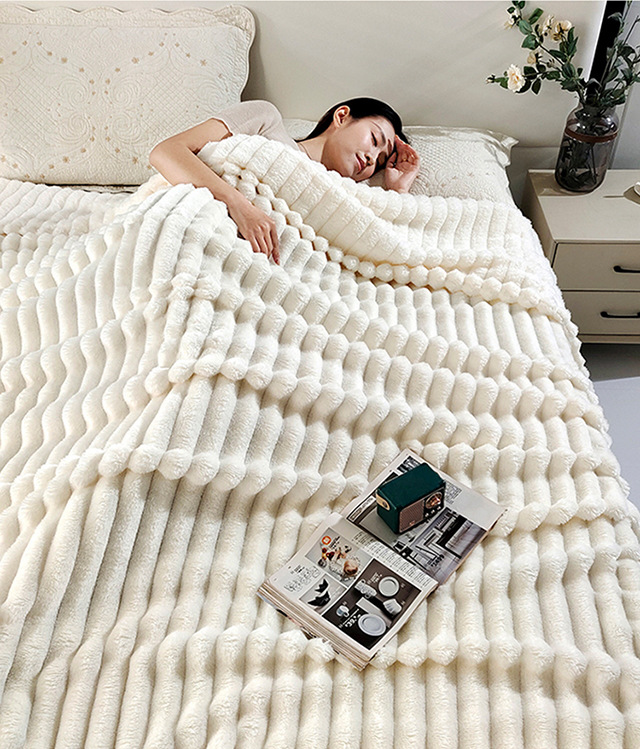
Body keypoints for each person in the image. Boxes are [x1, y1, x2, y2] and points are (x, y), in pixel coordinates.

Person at [149, 98, 420, 264]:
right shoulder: (266, 121)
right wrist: (238, 205)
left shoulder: (342, 198)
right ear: (341, 116)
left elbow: (385, 246)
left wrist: (398, 189)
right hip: (195, 236)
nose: (372, 158)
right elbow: (166, 152)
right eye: (374, 139)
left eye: (380, 161)